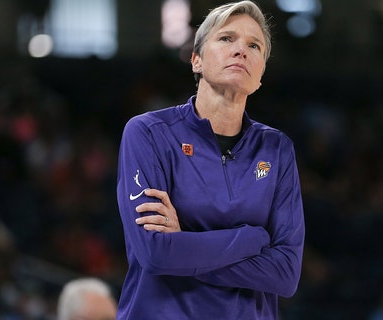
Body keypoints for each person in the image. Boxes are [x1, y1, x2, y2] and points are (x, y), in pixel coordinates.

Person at [115, 1, 305, 319]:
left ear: (260, 76)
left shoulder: (276, 149)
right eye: (226, 38)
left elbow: (285, 274)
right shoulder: (147, 133)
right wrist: (252, 238)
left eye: (254, 45)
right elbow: (155, 253)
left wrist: (186, 248)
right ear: (196, 60)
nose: (241, 50)